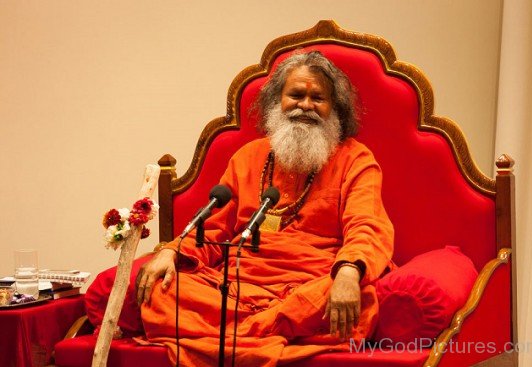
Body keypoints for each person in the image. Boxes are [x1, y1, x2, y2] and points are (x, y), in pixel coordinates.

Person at [136, 51, 394, 366]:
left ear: (334, 108)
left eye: (319, 98)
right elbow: (213, 227)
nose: (306, 106)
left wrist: (349, 273)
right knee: (165, 292)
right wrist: (172, 251)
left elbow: (367, 226)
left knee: (358, 301)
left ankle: (234, 339)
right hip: (239, 286)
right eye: (296, 95)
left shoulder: (356, 159)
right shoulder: (248, 157)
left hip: (311, 285)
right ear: (277, 101)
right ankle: (263, 334)